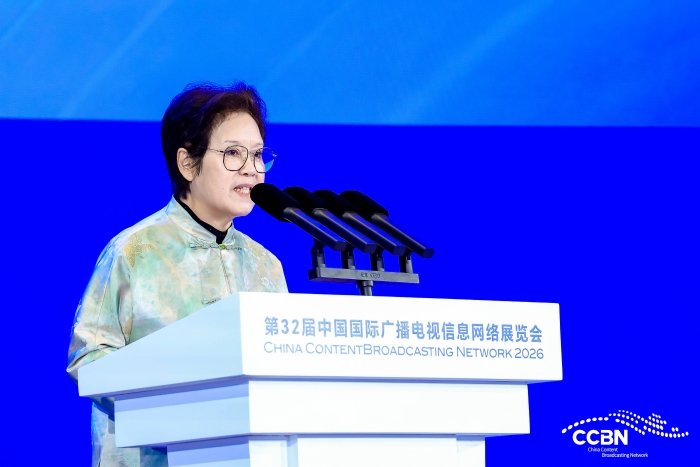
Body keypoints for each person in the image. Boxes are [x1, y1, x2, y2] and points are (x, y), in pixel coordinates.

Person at [67, 82, 287, 467]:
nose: (252, 170)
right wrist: (173, 410)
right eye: (233, 153)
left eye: (257, 155)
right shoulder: (135, 251)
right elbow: (89, 357)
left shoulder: (265, 265)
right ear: (187, 163)